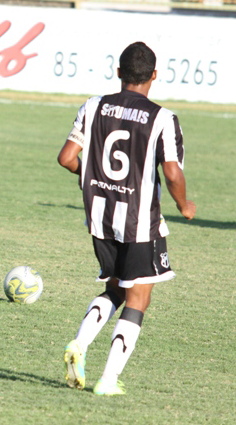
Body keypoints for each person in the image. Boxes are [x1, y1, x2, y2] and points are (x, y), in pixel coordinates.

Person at [57, 41, 196, 396]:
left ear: (118, 72)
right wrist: (184, 205)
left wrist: (89, 177)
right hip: (140, 224)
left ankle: (79, 343)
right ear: (154, 75)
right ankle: (107, 380)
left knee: (116, 288)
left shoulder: (93, 106)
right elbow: (172, 173)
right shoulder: (162, 118)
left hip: (100, 218)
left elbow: (67, 157)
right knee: (139, 298)